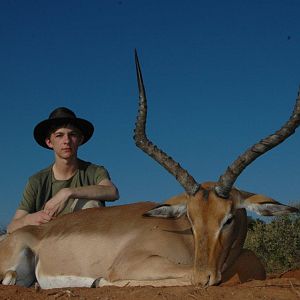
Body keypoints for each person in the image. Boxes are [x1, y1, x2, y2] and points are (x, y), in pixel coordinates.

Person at [7, 107, 119, 233]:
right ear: (49, 142)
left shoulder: (94, 171)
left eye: (72, 135)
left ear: (80, 140)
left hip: (84, 240)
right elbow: (11, 227)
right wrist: (28, 220)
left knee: (90, 203)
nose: (66, 141)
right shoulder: (37, 180)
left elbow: (112, 191)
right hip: (46, 240)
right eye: (59, 135)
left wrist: (67, 192)